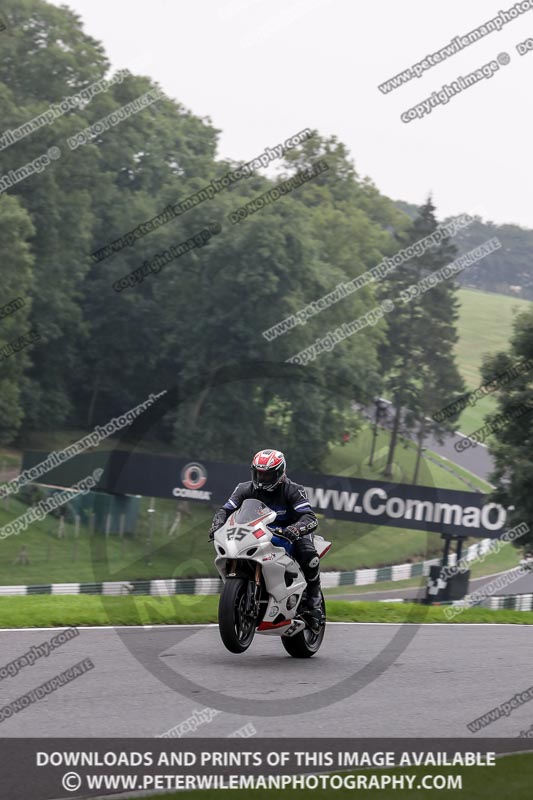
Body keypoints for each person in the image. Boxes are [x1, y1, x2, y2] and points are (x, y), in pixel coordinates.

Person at [209, 449, 323, 631]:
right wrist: (217, 524)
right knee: (232, 551)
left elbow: (310, 517)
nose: (262, 479)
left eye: (268, 475)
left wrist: (296, 529)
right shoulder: (244, 488)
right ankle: (240, 596)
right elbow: (225, 510)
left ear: (280, 473)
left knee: (309, 556)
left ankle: (314, 604)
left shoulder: (293, 490)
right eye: (258, 474)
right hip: (258, 533)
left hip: (289, 533)